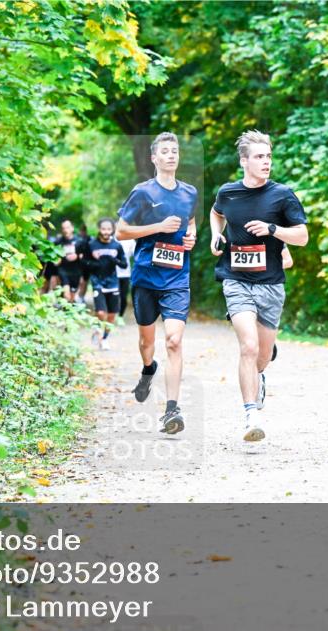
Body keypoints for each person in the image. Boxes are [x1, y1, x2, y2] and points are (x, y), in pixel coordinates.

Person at [210, 130, 308, 442]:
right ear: (244, 161)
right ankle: (251, 414)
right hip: (236, 280)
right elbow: (216, 213)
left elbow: (302, 236)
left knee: (261, 356)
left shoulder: (282, 195)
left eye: (268, 156)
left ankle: (260, 375)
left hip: (270, 285)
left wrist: (273, 229)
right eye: (259, 157)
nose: (266, 162)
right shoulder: (229, 193)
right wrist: (217, 234)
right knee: (248, 347)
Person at [116, 132, 198, 434]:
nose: (171, 155)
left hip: (177, 276)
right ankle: (148, 369)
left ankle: (172, 409)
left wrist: (191, 238)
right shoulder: (142, 192)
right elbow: (121, 231)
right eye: (164, 151)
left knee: (174, 341)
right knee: (147, 343)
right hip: (146, 276)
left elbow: (189, 223)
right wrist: (158, 227)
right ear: (154, 158)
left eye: (174, 150)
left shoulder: (189, 192)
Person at [85, 218, 128, 349]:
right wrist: (95, 263)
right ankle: (98, 330)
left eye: (108, 229)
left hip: (113, 283)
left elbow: (124, 264)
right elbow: (84, 263)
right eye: (103, 229)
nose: (106, 232)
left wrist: (114, 260)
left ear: (112, 230)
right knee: (101, 313)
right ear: (99, 229)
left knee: (111, 315)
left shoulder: (117, 246)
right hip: (98, 282)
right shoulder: (91, 244)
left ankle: (104, 339)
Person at [55, 219, 86, 303]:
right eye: (63, 228)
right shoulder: (58, 242)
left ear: (72, 228)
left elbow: (84, 256)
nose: (65, 230)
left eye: (67, 227)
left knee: (72, 297)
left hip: (76, 271)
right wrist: (58, 260)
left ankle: (68, 312)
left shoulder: (80, 241)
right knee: (66, 294)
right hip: (63, 270)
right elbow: (55, 259)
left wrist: (77, 256)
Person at [116, 234, 136, 320]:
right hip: (112, 273)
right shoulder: (111, 239)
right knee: (113, 295)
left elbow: (136, 254)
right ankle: (112, 314)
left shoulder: (130, 241)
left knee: (123, 296)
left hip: (125, 273)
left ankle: (120, 315)